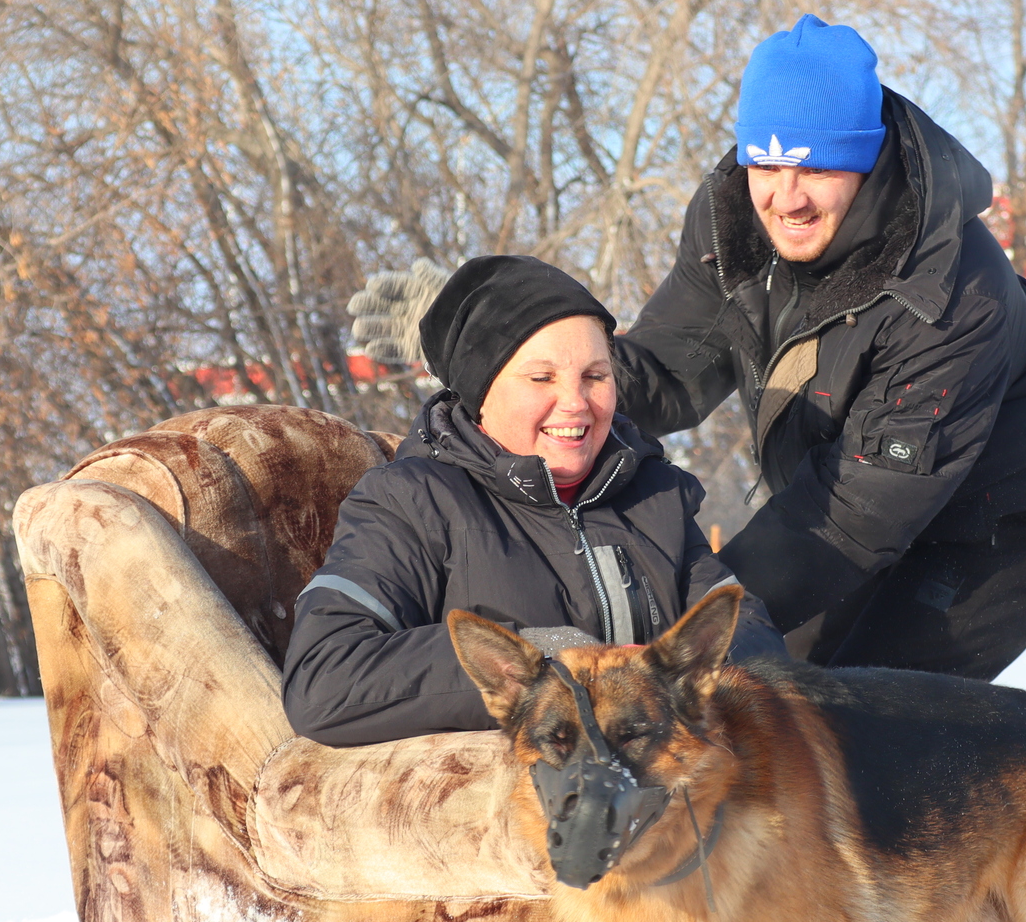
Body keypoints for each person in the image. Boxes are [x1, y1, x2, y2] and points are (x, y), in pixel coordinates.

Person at [610, 14, 1026, 681]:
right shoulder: (734, 224)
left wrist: (694, 618)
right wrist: (530, 377)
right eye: (765, 163)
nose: (786, 197)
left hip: (1020, 515)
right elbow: (664, 371)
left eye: (817, 166)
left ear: (865, 156)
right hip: (860, 493)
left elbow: (856, 516)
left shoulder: (946, 291)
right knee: (762, 684)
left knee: (861, 712)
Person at [283, 254, 785, 746]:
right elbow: (323, 680)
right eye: (541, 378)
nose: (575, 403)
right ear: (481, 391)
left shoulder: (655, 497)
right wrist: (554, 660)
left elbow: (750, 643)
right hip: (502, 815)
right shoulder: (410, 500)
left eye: (595, 376)